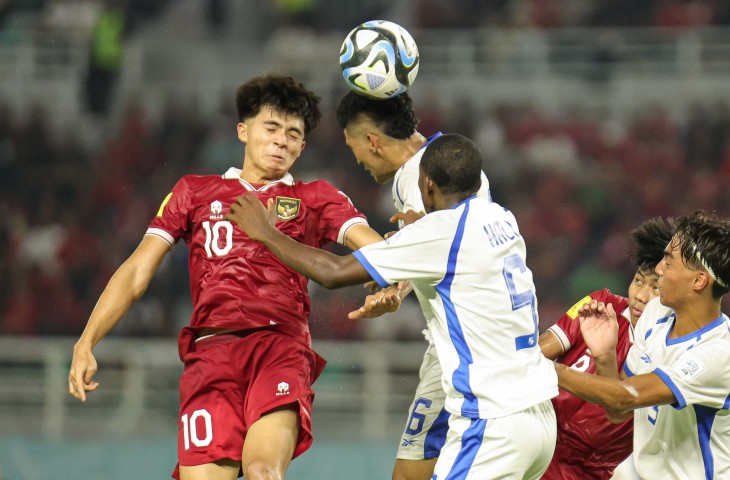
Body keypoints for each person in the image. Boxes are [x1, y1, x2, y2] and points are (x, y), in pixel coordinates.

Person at [67, 73, 385, 480]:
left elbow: (375, 249)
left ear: (302, 146)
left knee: (261, 473)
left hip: (280, 348)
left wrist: (394, 281)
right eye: (271, 127)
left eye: (293, 134)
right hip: (211, 356)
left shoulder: (316, 197)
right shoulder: (194, 192)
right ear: (243, 130)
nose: (281, 140)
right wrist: (87, 340)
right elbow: (137, 270)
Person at [226, 133, 559, 479]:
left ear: (427, 184)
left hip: (493, 421)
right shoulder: (502, 218)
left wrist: (266, 232)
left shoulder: (440, 233)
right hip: (539, 418)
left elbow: (334, 272)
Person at [336, 91, 491, 480]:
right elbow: (447, 245)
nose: (355, 159)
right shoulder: (454, 163)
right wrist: (401, 287)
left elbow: (434, 242)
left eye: (352, 145)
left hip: (460, 349)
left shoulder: (415, 177)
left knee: (408, 475)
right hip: (481, 339)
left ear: (372, 140)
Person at [555, 210, 730, 479]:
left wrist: (545, 369)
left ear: (698, 281)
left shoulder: (718, 355)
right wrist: (604, 357)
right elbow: (618, 411)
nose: (658, 268)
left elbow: (626, 395)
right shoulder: (656, 314)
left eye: (669, 262)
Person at [538, 217, 673, 480]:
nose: (641, 296)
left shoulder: (667, 353)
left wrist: (602, 358)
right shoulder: (600, 305)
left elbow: (617, 411)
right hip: (534, 433)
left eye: (655, 288)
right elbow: (537, 353)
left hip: (580, 470)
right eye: (638, 281)